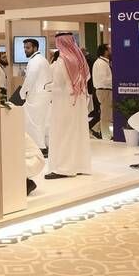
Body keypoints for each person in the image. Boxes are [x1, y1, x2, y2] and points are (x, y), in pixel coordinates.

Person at [45, 33, 92, 179]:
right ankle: (79, 165)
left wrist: (46, 87)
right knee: (77, 133)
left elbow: (59, 84)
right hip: (78, 103)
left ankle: (63, 168)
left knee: (63, 134)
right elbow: (86, 79)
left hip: (64, 104)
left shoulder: (62, 61)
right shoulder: (80, 59)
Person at [19, 38, 52, 156]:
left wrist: (22, 93)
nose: (25, 50)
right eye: (24, 48)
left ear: (35, 48)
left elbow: (30, 79)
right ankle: (44, 146)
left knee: (34, 123)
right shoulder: (43, 60)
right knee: (42, 122)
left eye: (28, 48)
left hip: (36, 97)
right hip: (44, 96)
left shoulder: (35, 61)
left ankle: (40, 148)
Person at [92, 44, 112, 140]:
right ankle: (106, 135)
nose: (111, 51)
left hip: (104, 90)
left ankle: (95, 129)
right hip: (104, 90)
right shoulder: (101, 64)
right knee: (105, 115)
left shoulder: (103, 62)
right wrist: (115, 80)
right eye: (109, 49)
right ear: (105, 51)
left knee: (106, 113)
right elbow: (103, 80)